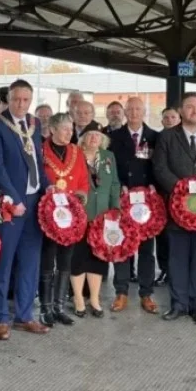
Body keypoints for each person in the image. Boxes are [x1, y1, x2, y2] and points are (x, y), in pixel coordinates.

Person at [0, 79, 51, 340]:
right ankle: (0, 318)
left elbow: (37, 161)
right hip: (11, 205)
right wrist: (13, 198)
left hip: (35, 202)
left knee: (30, 261)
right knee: (3, 262)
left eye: (25, 99)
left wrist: (48, 187)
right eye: (16, 99)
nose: (21, 104)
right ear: (8, 99)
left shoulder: (34, 124)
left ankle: (24, 315)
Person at [152, 93, 196, 325]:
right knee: (178, 259)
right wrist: (181, 191)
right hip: (177, 209)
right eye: (190, 107)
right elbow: (160, 168)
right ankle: (178, 304)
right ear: (181, 110)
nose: (194, 111)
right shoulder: (166, 137)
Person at [107, 96, 160, 314]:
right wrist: (119, 186)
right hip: (123, 198)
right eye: (131, 109)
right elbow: (109, 168)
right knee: (122, 245)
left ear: (144, 111)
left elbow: (159, 166)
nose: (135, 113)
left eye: (138, 109)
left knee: (146, 250)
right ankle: (121, 292)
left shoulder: (155, 137)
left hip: (147, 202)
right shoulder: (113, 137)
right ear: (125, 112)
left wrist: (154, 185)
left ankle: (146, 293)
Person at [39, 113, 89, 327]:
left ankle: (59, 307)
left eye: (71, 129)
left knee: (65, 261)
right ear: (52, 129)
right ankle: (46, 308)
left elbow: (83, 179)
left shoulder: (77, 151)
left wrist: (82, 194)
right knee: (48, 259)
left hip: (71, 216)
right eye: (65, 129)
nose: (70, 133)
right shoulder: (40, 150)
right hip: (49, 216)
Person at [72, 123, 120, 317]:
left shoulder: (109, 156)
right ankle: (78, 299)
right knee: (78, 257)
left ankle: (94, 299)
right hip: (80, 214)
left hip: (102, 215)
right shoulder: (75, 155)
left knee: (98, 258)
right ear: (83, 138)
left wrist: (115, 208)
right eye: (90, 135)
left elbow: (114, 183)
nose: (94, 138)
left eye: (98, 135)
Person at [155, 105, 182, 286]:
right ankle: (164, 269)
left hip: (182, 196)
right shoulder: (157, 138)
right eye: (166, 118)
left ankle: (177, 271)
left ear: (179, 119)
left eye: (173, 117)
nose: (170, 120)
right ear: (162, 121)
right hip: (161, 194)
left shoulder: (185, 140)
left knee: (178, 236)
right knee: (162, 235)